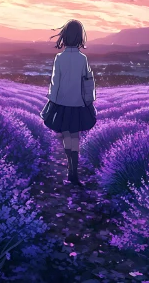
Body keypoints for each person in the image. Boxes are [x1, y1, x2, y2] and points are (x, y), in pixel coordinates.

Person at [40, 19, 96, 186]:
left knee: (66, 135)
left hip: (63, 103)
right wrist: (89, 102)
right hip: (78, 104)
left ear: (64, 36)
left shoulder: (59, 58)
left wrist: (52, 102)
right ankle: (74, 172)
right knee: (75, 136)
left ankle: (70, 168)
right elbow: (88, 81)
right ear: (80, 37)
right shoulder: (83, 58)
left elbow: (55, 82)